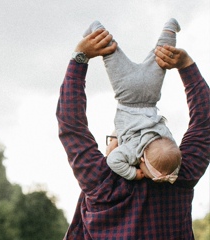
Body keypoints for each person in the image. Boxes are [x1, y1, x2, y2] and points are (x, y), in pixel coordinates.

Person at [56, 29, 210, 239]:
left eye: (113, 138)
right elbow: (205, 125)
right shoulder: (180, 177)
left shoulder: (102, 183)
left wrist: (80, 58)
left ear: (127, 150)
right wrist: (186, 67)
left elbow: (71, 126)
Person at [83, 19, 182, 182]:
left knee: (162, 55)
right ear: (141, 159)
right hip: (127, 95)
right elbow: (112, 160)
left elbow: (173, 160)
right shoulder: (134, 149)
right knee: (111, 54)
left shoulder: (168, 141)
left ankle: (170, 29)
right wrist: (132, 174)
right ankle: (96, 29)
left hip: (150, 95)